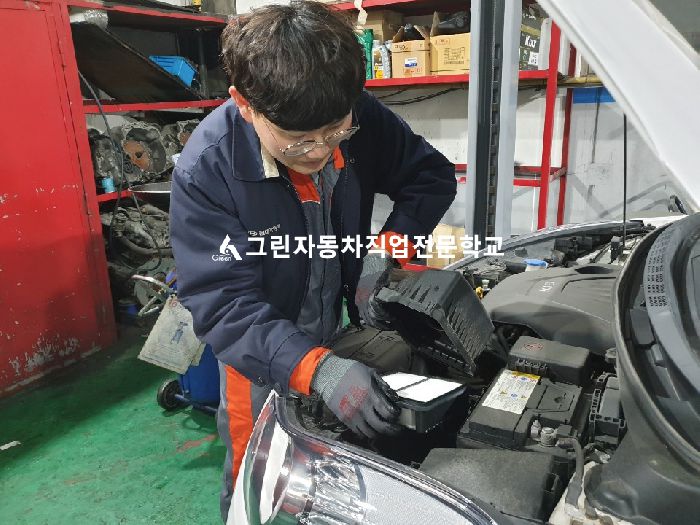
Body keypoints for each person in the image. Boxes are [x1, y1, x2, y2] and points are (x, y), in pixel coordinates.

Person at [169, 1, 456, 521]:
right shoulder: (207, 171)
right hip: (255, 349)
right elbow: (222, 302)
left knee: (327, 464)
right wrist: (314, 368)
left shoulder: (357, 114)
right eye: (299, 141)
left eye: (335, 133)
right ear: (245, 104)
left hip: (330, 324)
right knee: (257, 479)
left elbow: (428, 176)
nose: (320, 152)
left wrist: (388, 251)